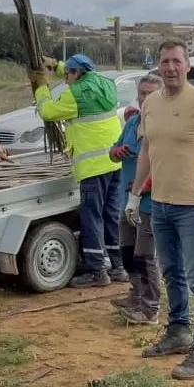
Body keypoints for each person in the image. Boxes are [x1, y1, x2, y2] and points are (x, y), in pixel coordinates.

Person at [129, 39, 194, 380]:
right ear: (158, 66)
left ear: (187, 66)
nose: (170, 68)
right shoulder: (151, 103)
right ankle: (179, 330)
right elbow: (145, 152)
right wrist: (136, 195)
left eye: (176, 62)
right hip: (161, 204)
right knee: (171, 272)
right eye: (164, 62)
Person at [30, 54, 127, 287]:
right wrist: (56, 65)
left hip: (93, 167)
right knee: (111, 215)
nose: (66, 80)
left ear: (76, 74)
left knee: (91, 217)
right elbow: (80, 72)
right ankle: (118, 267)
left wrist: (41, 87)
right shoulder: (106, 84)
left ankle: (97, 272)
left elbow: (47, 112)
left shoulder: (73, 95)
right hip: (115, 163)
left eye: (67, 75)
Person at [111, 73, 164, 325]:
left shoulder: (164, 125)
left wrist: (145, 186)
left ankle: (150, 308)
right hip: (127, 199)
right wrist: (116, 152)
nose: (144, 98)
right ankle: (137, 294)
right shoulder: (132, 124)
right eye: (142, 93)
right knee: (128, 251)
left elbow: (168, 165)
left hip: (149, 203)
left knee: (146, 255)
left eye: (150, 93)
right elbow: (113, 151)